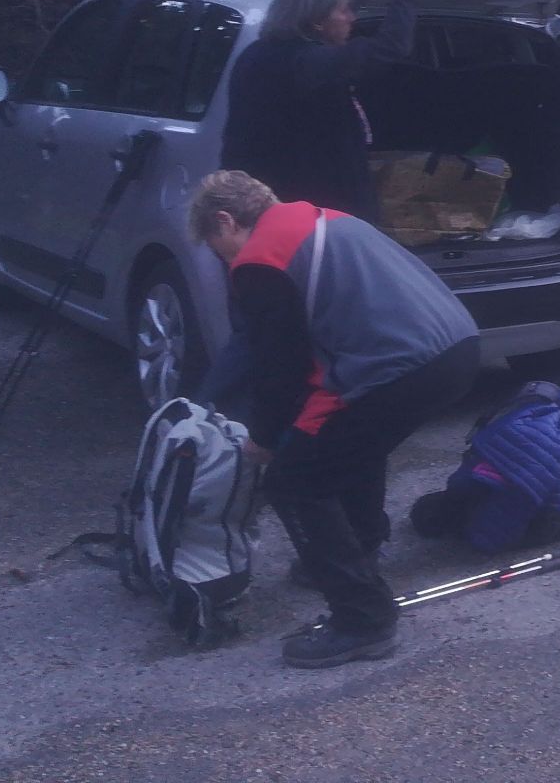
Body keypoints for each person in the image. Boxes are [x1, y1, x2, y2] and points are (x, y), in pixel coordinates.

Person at [190, 169, 480, 668]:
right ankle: (358, 548)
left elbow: (281, 364)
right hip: (457, 348)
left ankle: (363, 619)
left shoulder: (261, 257)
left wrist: (264, 437)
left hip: (398, 364)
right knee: (348, 445)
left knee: (295, 480)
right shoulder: (326, 219)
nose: (226, 263)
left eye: (220, 251)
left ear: (226, 221)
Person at [221, 0, 426, 224]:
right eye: (344, 11)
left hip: (269, 208)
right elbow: (392, 46)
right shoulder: (305, 62)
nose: (352, 19)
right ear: (317, 20)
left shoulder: (256, 55)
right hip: (307, 217)